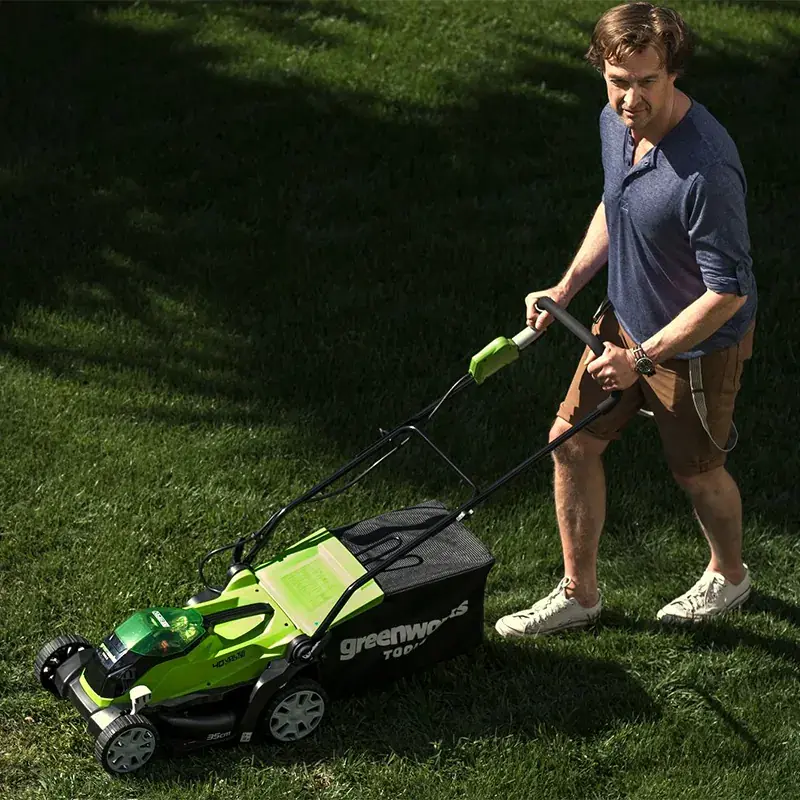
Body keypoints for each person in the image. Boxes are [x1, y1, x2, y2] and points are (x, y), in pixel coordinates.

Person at [495, 2, 757, 638]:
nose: (631, 99)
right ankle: (579, 594)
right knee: (570, 442)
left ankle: (729, 575)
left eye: (647, 82)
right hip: (623, 321)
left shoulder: (706, 169)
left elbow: (728, 293)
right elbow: (618, 205)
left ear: (673, 73)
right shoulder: (615, 126)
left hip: (697, 348)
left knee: (697, 473)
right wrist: (565, 288)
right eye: (619, 82)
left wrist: (641, 360)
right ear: (602, 71)